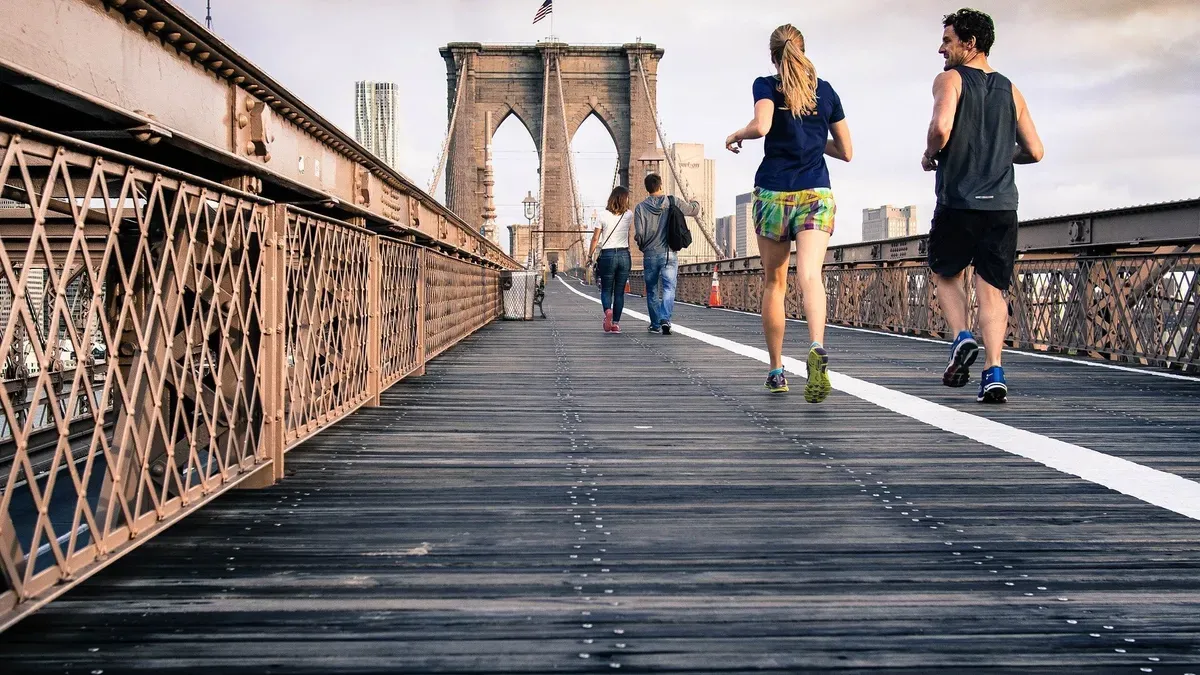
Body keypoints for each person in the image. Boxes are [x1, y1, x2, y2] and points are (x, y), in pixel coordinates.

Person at [725, 24, 852, 402]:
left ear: (773, 56)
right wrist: (814, 140)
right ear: (802, 49)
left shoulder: (766, 85)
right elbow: (846, 151)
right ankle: (816, 345)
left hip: (774, 193)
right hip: (816, 191)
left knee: (774, 284)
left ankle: (777, 371)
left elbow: (762, 125)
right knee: (811, 275)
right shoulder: (825, 91)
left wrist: (737, 134)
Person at [922, 8, 1043, 403]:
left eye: (948, 40)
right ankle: (994, 372)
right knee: (992, 291)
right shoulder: (1012, 90)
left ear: (969, 44)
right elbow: (1035, 151)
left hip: (958, 200)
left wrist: (930, 154)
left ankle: (961, 338)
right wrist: (999, 155)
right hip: (1002, 206)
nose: (941, 48)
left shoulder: (950, 79)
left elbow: (941, 128)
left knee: (945, 273)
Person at [633, 173, 699, 335]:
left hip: (650, 254)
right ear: (660, 185)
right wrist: (695, 201)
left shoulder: (640, 208)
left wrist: (644, 246)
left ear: (647, 188)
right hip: (669, 254)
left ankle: (655, 324)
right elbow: (693, 211)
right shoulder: (672, 201)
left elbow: (639, 234)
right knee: (669, 287)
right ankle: (665, 318)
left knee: (652, 289)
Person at [587, 186, 634, 334]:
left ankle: (608, 310)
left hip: (607, 256)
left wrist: (589, 256)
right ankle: (615, 324)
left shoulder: (602, 215)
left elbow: (595, 238)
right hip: (624, 255)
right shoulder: (629, 215)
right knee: (619, 292)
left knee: (606, 289)